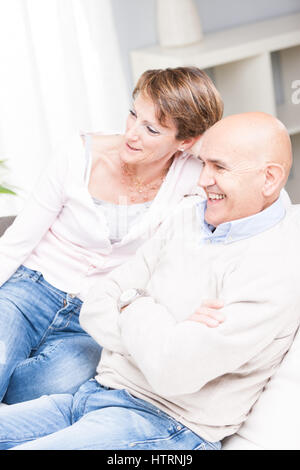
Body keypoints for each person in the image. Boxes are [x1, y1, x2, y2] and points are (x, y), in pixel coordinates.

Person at [1, 111, 299, 451]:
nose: (202, 180)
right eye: (203, 164)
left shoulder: (278, 262)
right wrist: (164, 334)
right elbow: (97, 302)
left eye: (219, 167)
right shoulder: (189, 217)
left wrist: (133, 302)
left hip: (167, 426)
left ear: (270, 179)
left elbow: (174, 371)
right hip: (96, 395)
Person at [0, 67, 223, 404]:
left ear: (186, 142)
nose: (131, 134)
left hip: (95, 314)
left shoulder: (193, 176)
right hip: (31, 287)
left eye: (151, 129)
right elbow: (17, 241)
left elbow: (246, 179)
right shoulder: (77, 155)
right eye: (133, 114)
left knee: (60, 382)